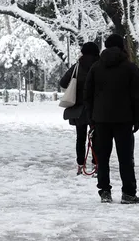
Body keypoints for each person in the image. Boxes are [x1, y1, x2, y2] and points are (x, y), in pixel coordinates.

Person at [84, 33, 139, 204]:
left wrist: (92, 118)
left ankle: (104, 191)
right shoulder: (130, 68)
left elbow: (87, 95)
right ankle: (128, 193)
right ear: (122, 47)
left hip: (101, 120)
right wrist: (136, 118)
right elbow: (138, 96)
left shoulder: (96, 67)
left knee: (102, 158)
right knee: (126, 158)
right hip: (124, 120)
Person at [59, 41, 100, 175]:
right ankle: (96, 166)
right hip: (96, 108)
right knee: (97, 138)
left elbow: (63, 83)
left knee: (80, 138)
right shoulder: (100, 65)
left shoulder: (78, 66)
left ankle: (80, 165)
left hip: (80, 109)